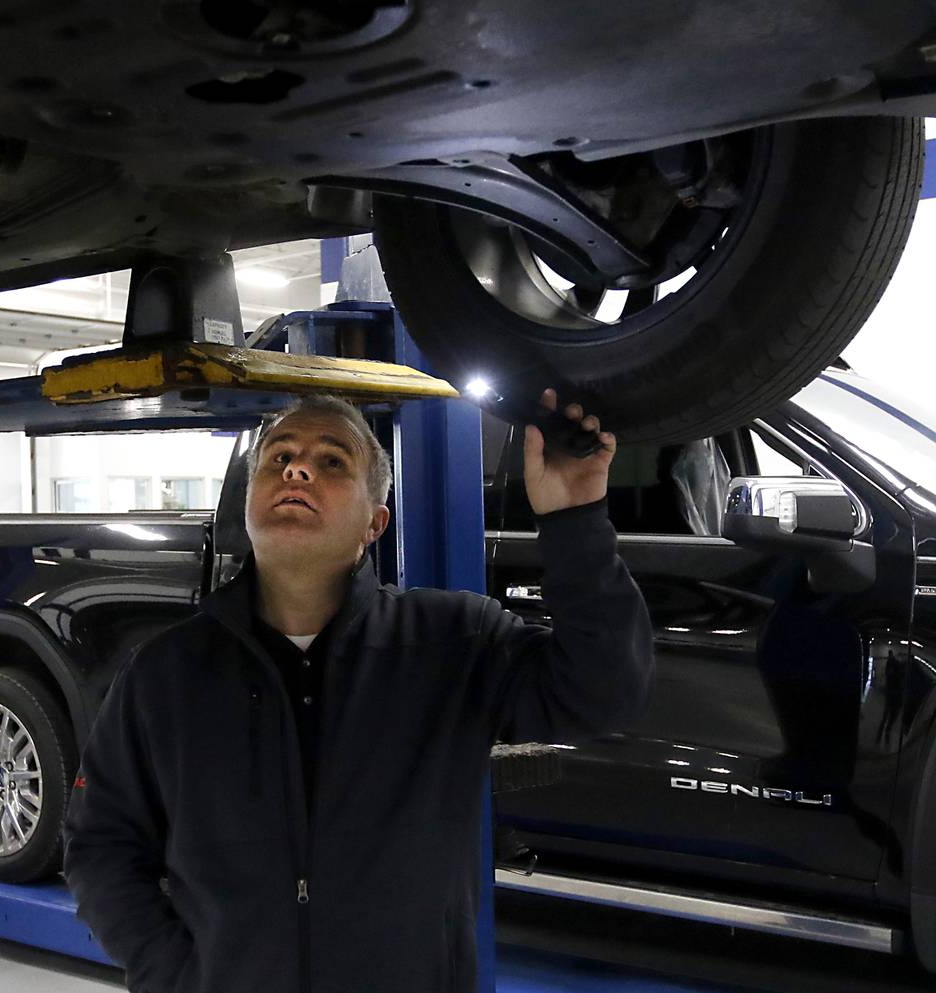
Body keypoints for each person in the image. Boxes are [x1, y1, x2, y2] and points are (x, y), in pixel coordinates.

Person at [62, 390, 654, 993]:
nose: (296, 469)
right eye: (278, 458)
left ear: (375, 523)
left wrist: (574, 516)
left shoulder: (452, 644)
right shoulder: (165, 675)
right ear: (248, 503)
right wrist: (176, 973)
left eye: (333, 462)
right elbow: (100, 845)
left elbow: (600, 692)